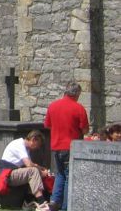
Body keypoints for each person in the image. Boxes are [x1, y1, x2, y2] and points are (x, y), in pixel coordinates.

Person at [44, 81, 89, 211]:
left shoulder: (53, 106)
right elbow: (85, 129)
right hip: (71, 147)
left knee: (60, 174)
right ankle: (66, 206)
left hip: (56, 146)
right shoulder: (78, 108)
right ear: (76, 94)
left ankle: (54, 202)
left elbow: (47, 125)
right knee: (70, 176)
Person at [0, 130, 52, 211]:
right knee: (33, 172)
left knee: (34, 171)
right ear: (34, 139)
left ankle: (28, 202)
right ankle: (42, 203)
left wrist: (42, 169)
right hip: (7, 175)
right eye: (39, 144)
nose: (38, 147)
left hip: (13, 172)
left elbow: (32, 164)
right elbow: (29, 165)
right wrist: (41, 172)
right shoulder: (19, 144)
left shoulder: (26, 149)